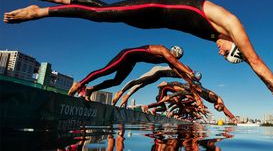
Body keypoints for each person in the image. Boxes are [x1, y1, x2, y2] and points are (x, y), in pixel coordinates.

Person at [4, 0, 273, 112]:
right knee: (103, 15)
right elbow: (254, 59)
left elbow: (250, 63)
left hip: (153, 22)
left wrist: (268, 89)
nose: (219, 52)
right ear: (235, 45)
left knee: (108, 11)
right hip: (155, 6)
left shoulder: (227, 40)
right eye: (226, 53)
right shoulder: (232, 25)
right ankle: (39, 12)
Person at [68, 45, 201, 105]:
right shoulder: (163, 50)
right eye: (176, 58)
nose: (175, 60)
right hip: (127, 55)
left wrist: (190, 81)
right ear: (174, 53)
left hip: (132, 62)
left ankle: (90, 90)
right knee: (105, 71)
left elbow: (179, 71)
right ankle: (80, 84)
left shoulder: (170, 60)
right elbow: (175, 63)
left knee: (116, 81)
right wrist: (190, 72)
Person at [112, 65, 201, 107]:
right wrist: (167, 84)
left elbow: (181, 85)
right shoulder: (187, 69)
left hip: (159, 75)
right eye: (193, 79)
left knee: (141, 85)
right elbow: (178, 81)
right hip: (157, 71)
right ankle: (121, 92)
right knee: (139, 81)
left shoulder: (188, 77)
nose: (192, 81)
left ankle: (126, 96)